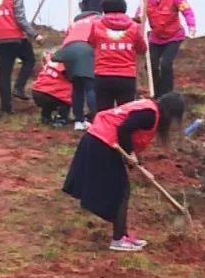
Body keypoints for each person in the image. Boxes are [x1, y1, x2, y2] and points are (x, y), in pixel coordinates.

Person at [63, 93, 186, 252]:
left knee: (123, 189)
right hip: (101, 142)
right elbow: (124, 129)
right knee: (121, 190)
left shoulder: (148, 108)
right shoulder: (149, 114)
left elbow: (128, 135)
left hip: (102, 140)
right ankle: (118, 239)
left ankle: (122, 235)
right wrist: (131, 155)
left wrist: (138, 164)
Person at [134, 0, 196, 97]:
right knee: (151, 65)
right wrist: (139, 19)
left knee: (166, 64)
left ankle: (168, 94)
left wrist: (191, 25)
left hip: (174, 36)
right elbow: (140, 14)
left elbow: (187, 10)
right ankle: (157, 94)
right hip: (155, 37)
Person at [0, 0, 42, 114]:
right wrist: (35, 35)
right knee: (29, 60)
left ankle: (6, 108)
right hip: (15, 37)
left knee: (4, 73)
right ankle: (19, 87)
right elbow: (20, 19)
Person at [88, 0, 147, 111]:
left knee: (103, 114)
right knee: (125, 113)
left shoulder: (96, 25)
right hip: (127, 76)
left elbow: (91, 43)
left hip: (103, 75)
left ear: (104, 9)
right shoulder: (134, 27)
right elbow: (142, 49)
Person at [53, 11, 102, 130]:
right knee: (90, 85)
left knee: (77, 86)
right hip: (85, 48)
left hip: (68, 50)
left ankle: (79, 121)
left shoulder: (75, 24)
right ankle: (97, 121)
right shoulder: (98, 19)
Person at [32, 54, 72, 126]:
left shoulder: (52, 61)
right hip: (51, 95)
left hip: (36, 91)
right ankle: (61, 119)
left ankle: (45, 116)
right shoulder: (66, 67)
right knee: (69, 96)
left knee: (52, 95)